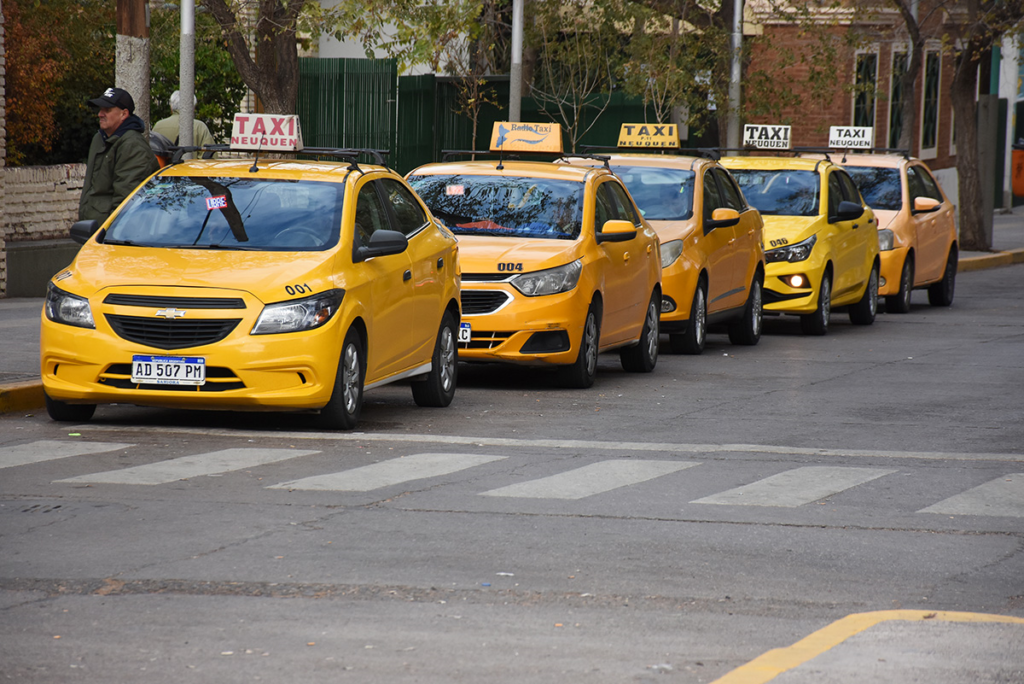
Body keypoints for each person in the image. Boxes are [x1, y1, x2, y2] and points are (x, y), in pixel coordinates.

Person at [79, 87, 160, 223]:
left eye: (107, 110)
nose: (100, 114)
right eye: (100, 109)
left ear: (124, 114)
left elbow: (126, 203)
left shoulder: (133, 145)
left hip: (109, 235)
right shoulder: (99, 139)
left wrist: (109, 235)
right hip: (92, 230)